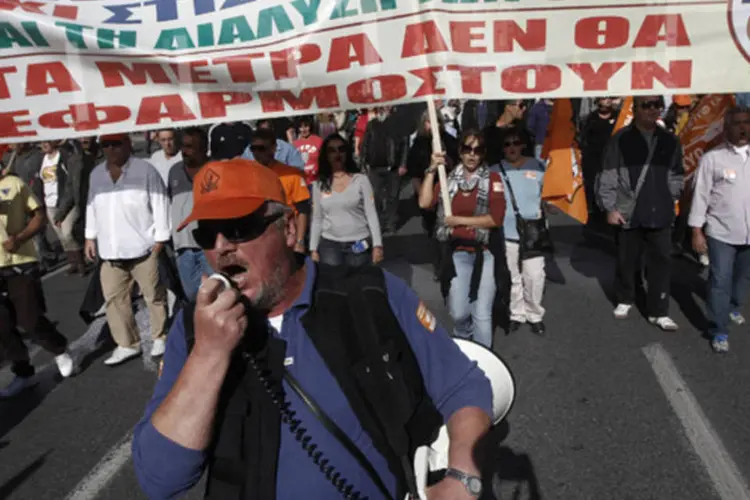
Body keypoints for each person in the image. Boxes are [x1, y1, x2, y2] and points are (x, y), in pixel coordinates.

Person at [132, 159, 493, 500]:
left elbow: (462, 383)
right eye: (208, 234)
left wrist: (463, 476)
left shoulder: (368, 294)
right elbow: (161, 479)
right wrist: (209, 355)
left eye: (241, 228)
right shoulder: (195, 329)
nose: (222, 248)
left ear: (288, 229)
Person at [597, 95, 684, 331]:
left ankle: (659, 311)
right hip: (629, 209)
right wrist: (609, 207)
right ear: (635, 109)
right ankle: (625, 298)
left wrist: (672, 194)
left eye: (657, 105)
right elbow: (608, 174)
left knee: (661, 262)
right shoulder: (621, 139)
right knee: (627, 259)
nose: (652, 109)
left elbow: (676, 172)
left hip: (661, 210)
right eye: (646, 105)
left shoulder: (670, 140)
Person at [85, 134, 171, 365]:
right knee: (114, 299)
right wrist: (89, 237)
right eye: (106, 145)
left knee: (154, 295)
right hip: (110, 252)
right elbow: (92, 206)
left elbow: (160, 201)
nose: (111, 149)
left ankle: (159, 336)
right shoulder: (96, 174)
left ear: (128, 145)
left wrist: (161, 237)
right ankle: (126, 344)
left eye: (116, 144)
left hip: (144, 247)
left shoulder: (145, 170)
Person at [419, 130, 506, 349]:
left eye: (478, 150)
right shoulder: (448, 179)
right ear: (460, 151)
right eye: (468, 149)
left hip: (485, 252)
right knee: (458, 313)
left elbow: (495, 218)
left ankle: (484, 361)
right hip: (458, 252)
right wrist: (431, 169)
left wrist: (456, 220)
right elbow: (424, 203)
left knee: (482, 312)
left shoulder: (493, 179)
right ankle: (466, 346)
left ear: (484, 154)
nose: (472, 155)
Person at [0, 161, 75, 398]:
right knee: (2, 327)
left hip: (19, 262)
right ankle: (24, 373)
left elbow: (39, 215)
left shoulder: (13, 184)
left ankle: (59, 348)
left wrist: (20, 237)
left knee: (29, 319)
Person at [688, 105, 750, 353]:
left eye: (747, 122)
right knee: (719, 279)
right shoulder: (712, 159)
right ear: (726, 128)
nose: (743, 128)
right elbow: (700, 196)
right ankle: (719, 328)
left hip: (748, 234)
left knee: (742, 277)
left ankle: (733, 307)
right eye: (737, 123)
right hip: (720, 232)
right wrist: (696, 230)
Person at [493, 129, 548, 336]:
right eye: (507, 144)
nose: (512, 147)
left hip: (533, 232)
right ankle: (517, 313)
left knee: (534, 276)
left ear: (523, 145)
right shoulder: (494, 171)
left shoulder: (538, 166)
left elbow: (549, 197)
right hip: (505, 233)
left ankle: (535, 314)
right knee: (513, 277)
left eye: (515, 142)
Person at [309, 135, 383, 267]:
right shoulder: (318, 185)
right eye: (332, 150)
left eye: (341, 149)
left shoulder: (361, 180)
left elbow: (371, 213)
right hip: (330, 245)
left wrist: (377, 245)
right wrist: (313, 249)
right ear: (326, 155)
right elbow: (317, 218)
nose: (337, 154)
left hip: (358, 243)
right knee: (334, 284)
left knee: (357, 283)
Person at [247, 128, 311, 254]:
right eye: (253, 148)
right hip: (259, 239)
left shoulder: (292, 174)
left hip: (288, 237)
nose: (257, 152)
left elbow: (303, 210)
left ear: (273, 148)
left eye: (261, 148)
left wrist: (300, 242)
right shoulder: (248, 176)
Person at [168, 127, 213, 302]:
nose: (184, 151)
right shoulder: (174, 171)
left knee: (215, 295)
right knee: (192, 297)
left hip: (209, 246)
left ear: (204, 148)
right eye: (182, 146)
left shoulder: (215, 169)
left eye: (190, 147)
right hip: (183, 247)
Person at [37, 140, 87, 274]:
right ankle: (73, 263)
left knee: (67, 232)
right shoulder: (42, 159)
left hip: (64, 201)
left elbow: (71, 179)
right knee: (60, 235)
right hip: (50, 203)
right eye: (42, 143)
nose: (44, 144)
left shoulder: (63, 156)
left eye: (46, 142)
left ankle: (81, 261)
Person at [293, 116, 323, 188]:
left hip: (316, 181)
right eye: (300, 127)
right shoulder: (295, 144)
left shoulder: (318, 140)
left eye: (306, 126)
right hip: (301, 182)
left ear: (310, 127)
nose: (303, 129)